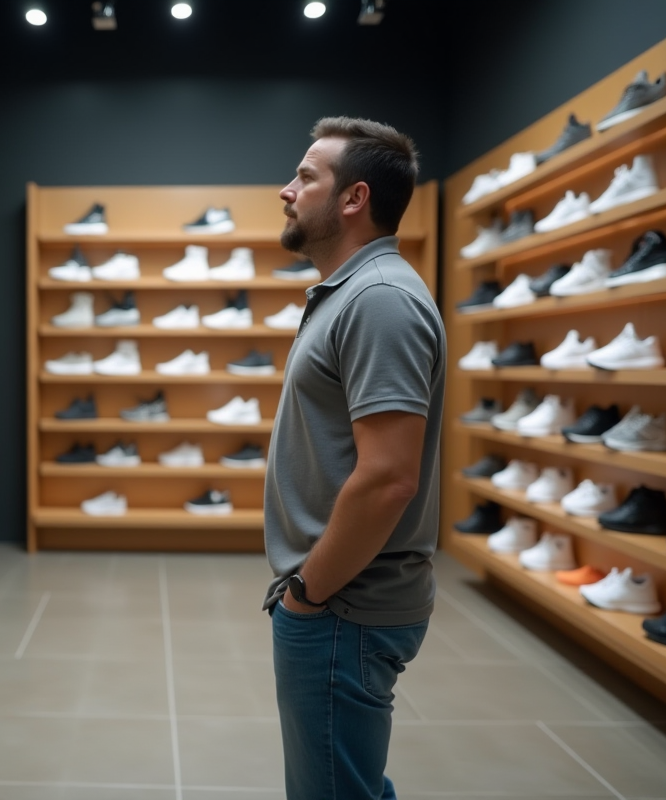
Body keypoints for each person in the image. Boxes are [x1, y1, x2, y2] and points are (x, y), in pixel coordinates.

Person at [263, 116, 445, 799]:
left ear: (354, 198)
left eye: (305, 177)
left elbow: (389, 477)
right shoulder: (355, 293)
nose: (286, 191)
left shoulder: (378, 301)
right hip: (340, 600)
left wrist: (308, 593)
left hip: (343, 605)